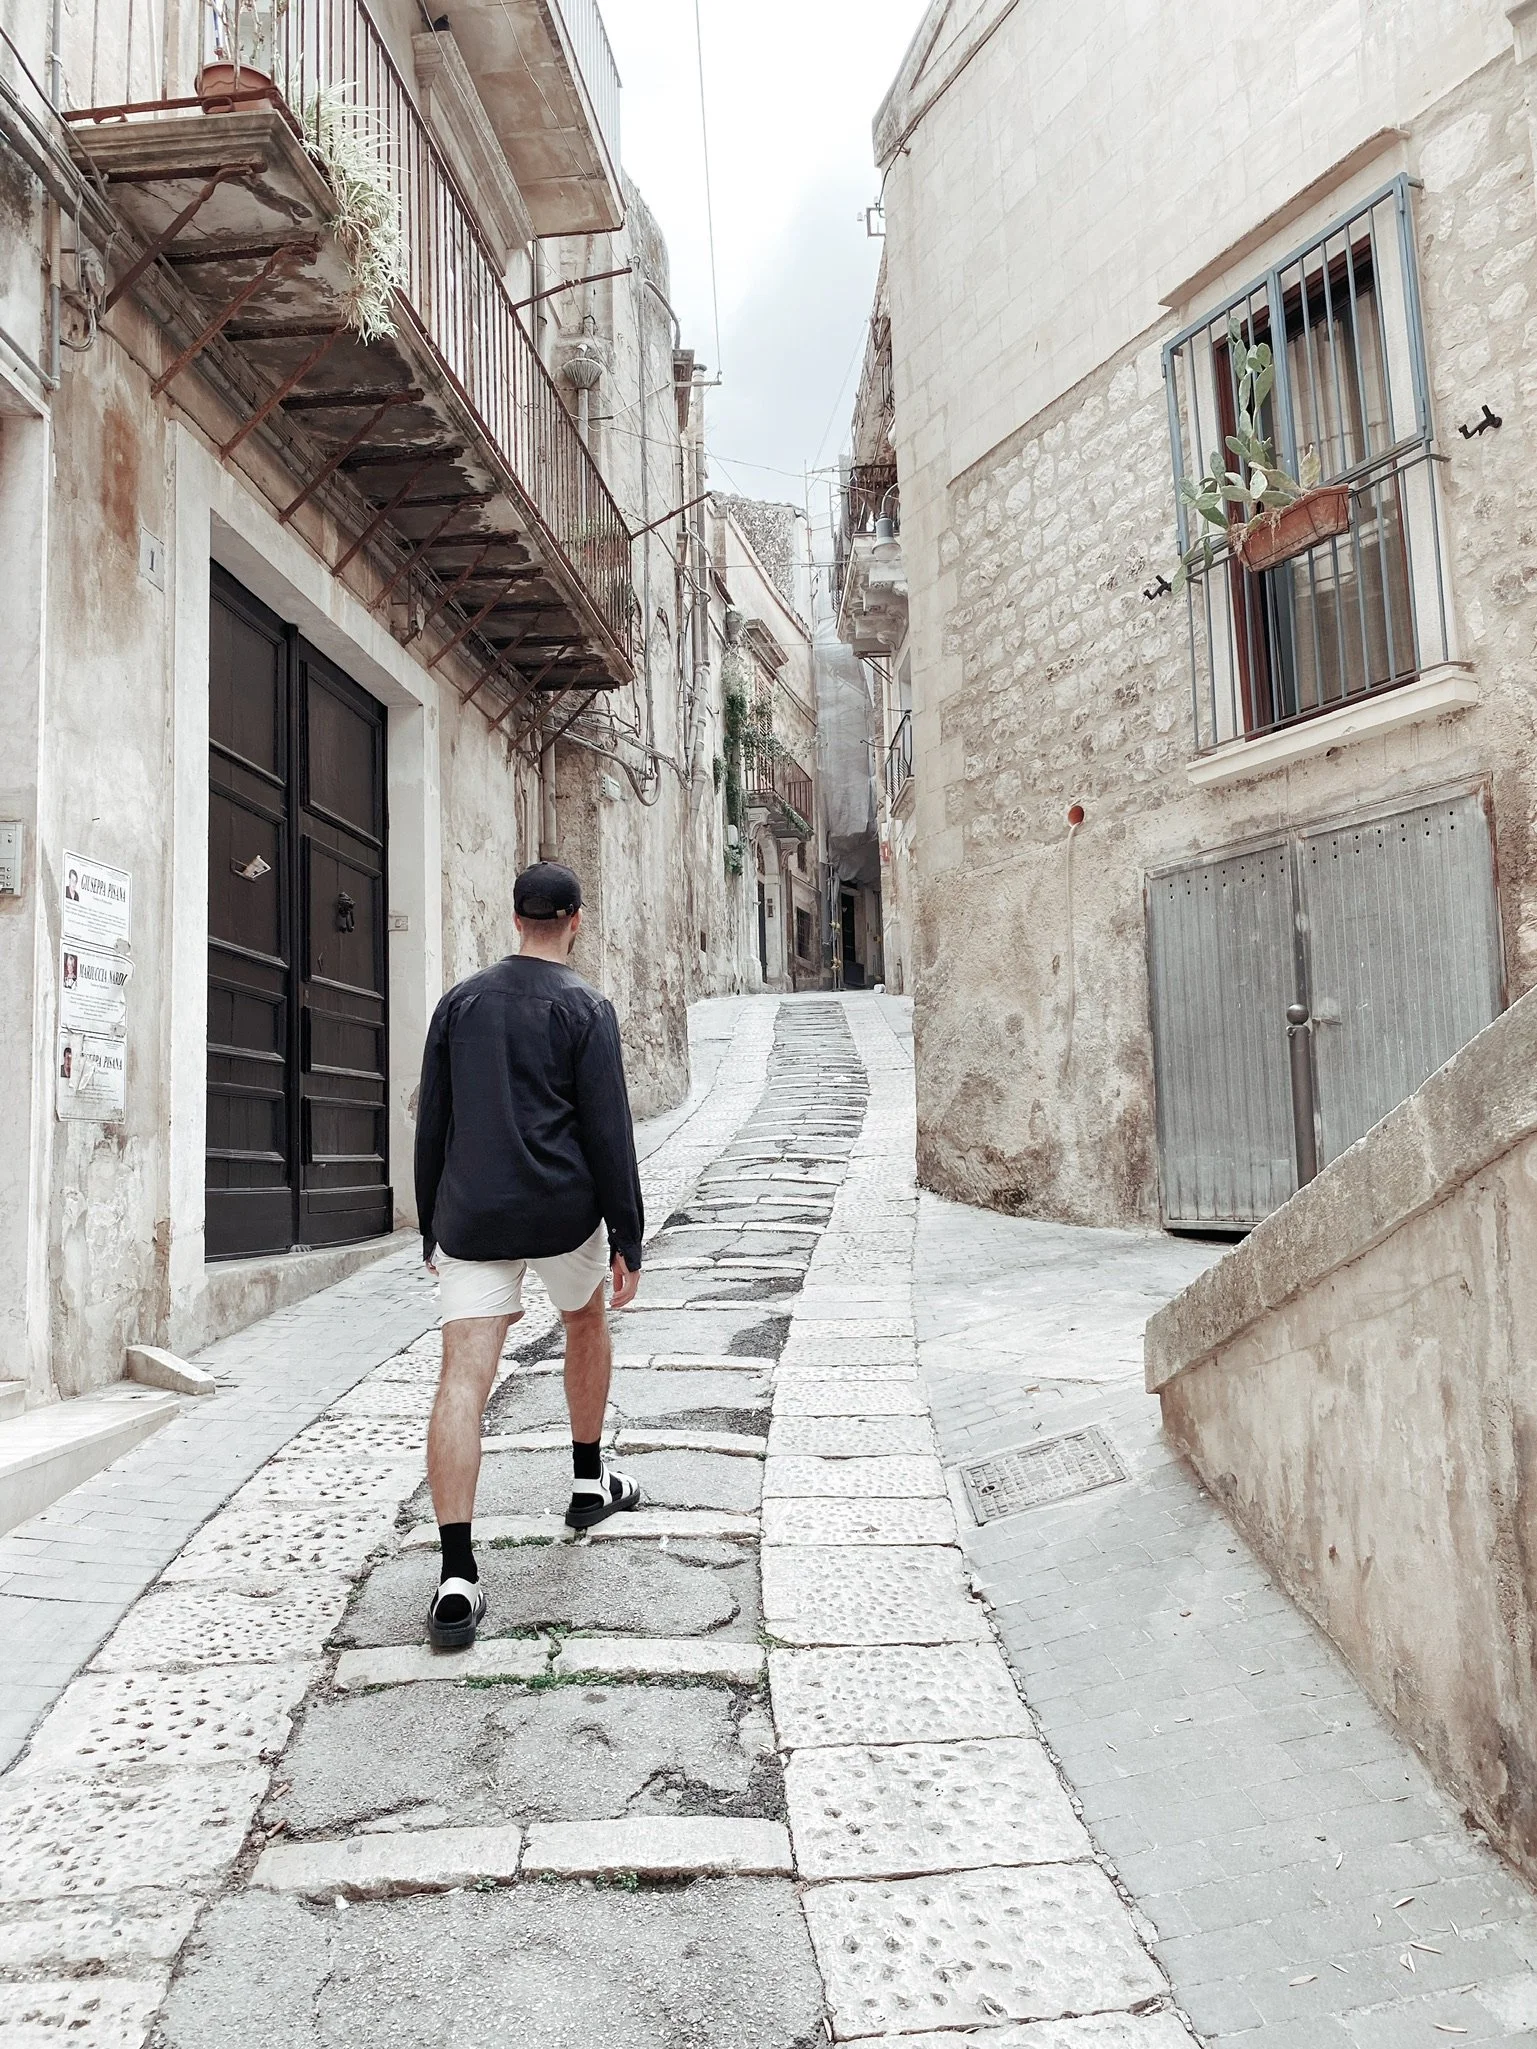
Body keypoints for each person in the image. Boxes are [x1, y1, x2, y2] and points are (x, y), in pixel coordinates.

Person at [414, 860, 645, 1650]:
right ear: (576, 918)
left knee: (462, 1377)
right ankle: (588, 1479)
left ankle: (455, 1575)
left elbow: (432, 1122)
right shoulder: (586, 1006)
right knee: (585, 1319)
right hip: (560, 1211)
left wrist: (427, 1228)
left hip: (473, 1217)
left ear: (514, 917)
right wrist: (628, 1234)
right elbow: (608, 1129)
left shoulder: (460, 1001)